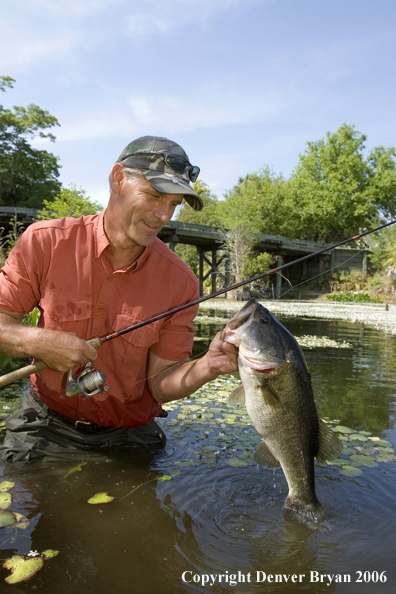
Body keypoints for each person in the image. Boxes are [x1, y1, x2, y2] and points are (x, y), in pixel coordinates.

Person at [0, 135, 238, 462]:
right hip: (45, 423)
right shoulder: (43, 242)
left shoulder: (180, 283)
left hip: (129, 435)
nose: (163, 215)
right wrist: (40, 342)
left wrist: (207, 367)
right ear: (117, 178)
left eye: (173, 204)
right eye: (154, 195)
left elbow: (160, 384)